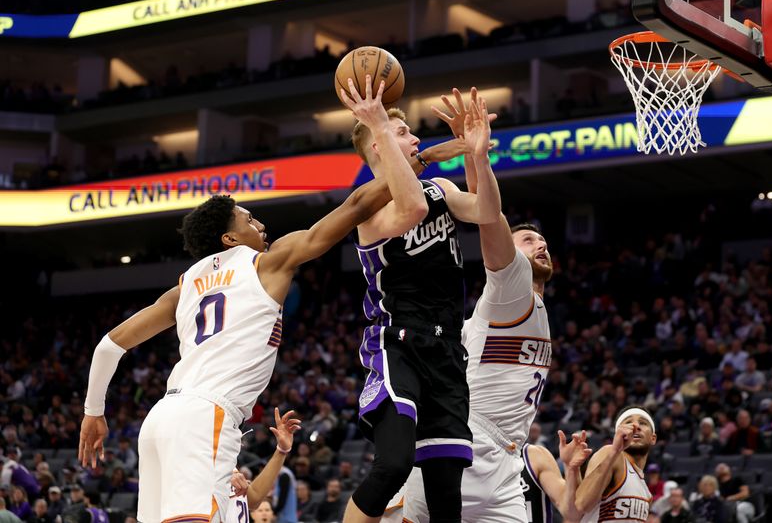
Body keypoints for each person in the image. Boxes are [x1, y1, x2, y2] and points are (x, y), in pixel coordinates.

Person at [79, 75, 440, 523]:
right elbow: (351, 211)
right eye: (249, 220)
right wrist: (414, 161)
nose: (261, 226)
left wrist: (94, 412)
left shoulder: (185, 284)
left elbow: (109, 345)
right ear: (230, 237)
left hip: (159, 422)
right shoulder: (263, 263)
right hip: (205, 418)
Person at [397, 88, 589, 523]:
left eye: (543, 241)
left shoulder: (530, 304)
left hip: (507, 457)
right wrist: (478, 156)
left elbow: (486, 211)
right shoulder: (513, 285)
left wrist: (469, 152)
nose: (539, 245)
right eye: (528, 241)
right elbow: (490, 218)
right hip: (465, 441)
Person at [342, 81, 502, 523]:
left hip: (448, 348)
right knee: (392, 466)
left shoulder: (441, 190)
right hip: (399, 344)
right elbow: (409, 208)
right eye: (403, 133)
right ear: (378, 144)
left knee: (447, 495)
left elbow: (489, 213)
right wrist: (376, 118)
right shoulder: (368, 209)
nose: (417, 139)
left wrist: (478, 156)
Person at [575, 406, 657, 523]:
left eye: (643, 423)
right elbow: (582, 503)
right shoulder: (611, 454)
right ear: (618, 433)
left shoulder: (647, 494)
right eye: (628, 422)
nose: (636, 426)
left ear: (653, 438)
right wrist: (614, 451)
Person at [227, 408, 301, 523]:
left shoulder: (230, 469)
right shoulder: (201, 465)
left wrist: (282, 450)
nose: (240, 444)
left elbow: (254, 499)